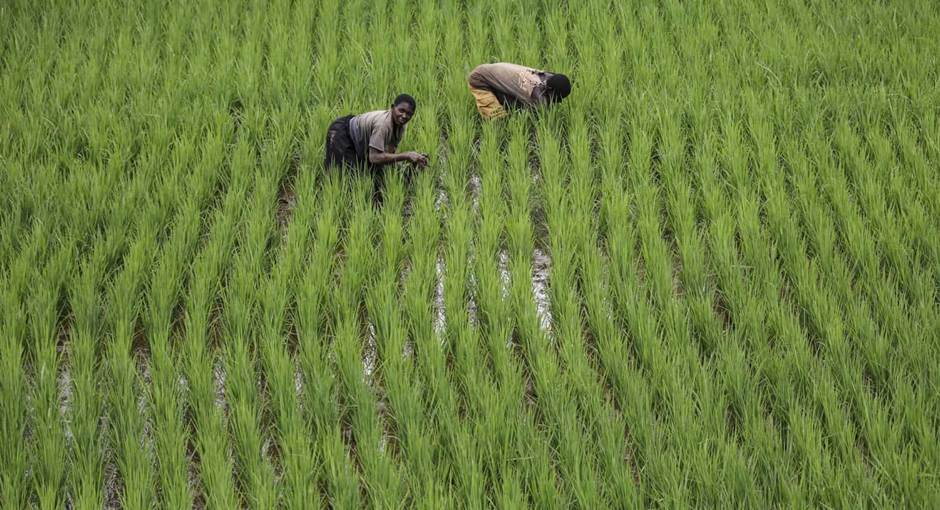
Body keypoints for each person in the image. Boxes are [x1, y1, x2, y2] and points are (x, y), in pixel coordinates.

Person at [324, 94, 429, 195]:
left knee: (373, 171)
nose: (404, 116)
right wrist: (407, 155)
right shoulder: (383, 125)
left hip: (358, 136)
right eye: (401, 111)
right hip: (341, 133)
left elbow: (388, 154)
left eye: (409, 114)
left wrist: (414, 161)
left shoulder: (401, 126)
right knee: (346, 179)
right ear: (393, 107)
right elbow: (374, 157)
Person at [467, 63, 571, 120]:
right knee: (497, 118)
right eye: (557, 98)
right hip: (480, 79)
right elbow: (543, 113)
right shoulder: (535, 93)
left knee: (514, 104)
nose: (558, 101)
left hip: (491, 72)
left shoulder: (547, 76)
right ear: (550, 90)